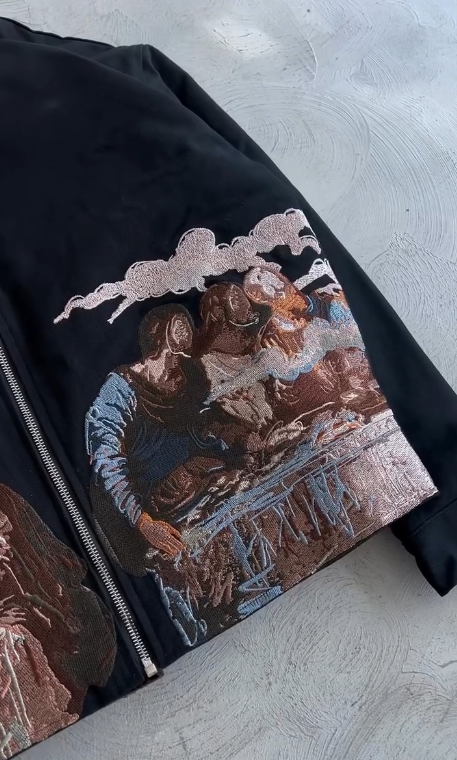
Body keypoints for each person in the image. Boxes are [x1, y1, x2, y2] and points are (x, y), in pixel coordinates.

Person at [86, 304, 228, 574]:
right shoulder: (118, 391)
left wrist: (231, 440)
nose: (177, 360)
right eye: (171, 350)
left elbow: (200, 427)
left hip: (190, 485)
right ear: (157, 344)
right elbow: (108, 464)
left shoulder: (189, 376)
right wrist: (143, 522)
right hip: (139, 511)